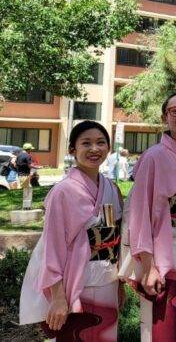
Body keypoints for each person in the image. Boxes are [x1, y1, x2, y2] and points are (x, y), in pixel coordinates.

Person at [19, 120, 124, 341]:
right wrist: (58, 297)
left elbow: (118, 237)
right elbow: (53, 249)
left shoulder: (112, 188)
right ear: (73, 150)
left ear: (109, 148)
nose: (94, 149)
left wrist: (121, 283)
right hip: (76, 285)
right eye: (86, 143)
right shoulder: (63, 192)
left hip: (108, 280)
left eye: (100, 143)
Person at [120, 92, 176, 341]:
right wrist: (148, 266)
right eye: (175, 111)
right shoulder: (154, 156)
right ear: (164, 117)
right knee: (163, 319)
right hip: (165, 245)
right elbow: (139, 215)